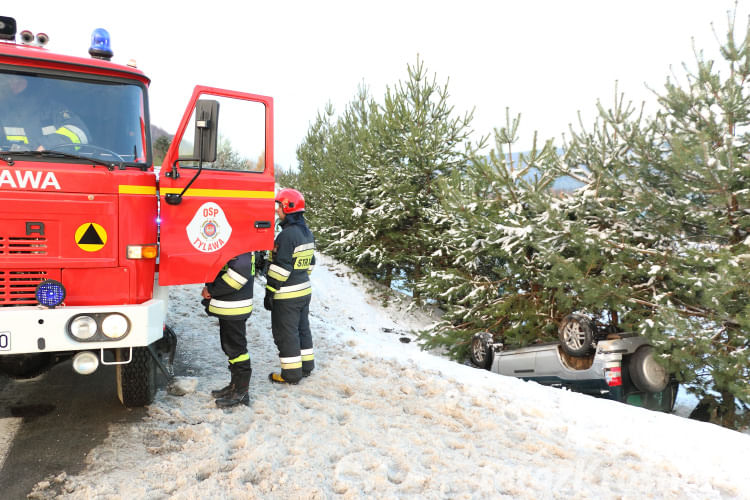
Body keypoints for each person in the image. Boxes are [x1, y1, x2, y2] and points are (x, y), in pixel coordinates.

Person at [264, 188, 316, 384]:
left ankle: (291, 374)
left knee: (286, 334)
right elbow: (310, 264)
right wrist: (299, 276)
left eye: (279, 207)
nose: (277, 211)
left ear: (288, 208)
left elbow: (281, 268)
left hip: (286, 295)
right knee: (303, 329)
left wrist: (270, 291)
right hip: (304, 290)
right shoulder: (306, 233)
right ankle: (306, 366)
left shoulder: (286, 236)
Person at [201, 252, 256, 407]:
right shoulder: (236, 242)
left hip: (234, 307)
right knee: (231, 349)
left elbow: (238, 276)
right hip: (230, 306)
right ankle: (234, 386)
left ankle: (241, 392)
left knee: (237, 350)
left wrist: (212, 290)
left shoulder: (241, 245)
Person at [0, 73, 89, 151]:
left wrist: (46, 146)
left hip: (50, 165)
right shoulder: (3, 110)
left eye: (3, 80)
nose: (2, 84)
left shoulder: (52, 109)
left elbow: (79, 132)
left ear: (19, 85)